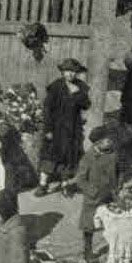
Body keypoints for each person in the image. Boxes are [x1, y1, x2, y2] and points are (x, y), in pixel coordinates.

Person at [36, 58, 90, 198]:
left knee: (69, 157)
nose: (70, 74)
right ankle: (43, 184)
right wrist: (48, 129)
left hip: (72, 128)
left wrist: (77, 93)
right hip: (56, 128)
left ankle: (65, 185)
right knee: (49, 156)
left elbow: (86, 105)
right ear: (62, 72)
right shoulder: (56, 86)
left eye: (73, 72)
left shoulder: (81, 86)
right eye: (67, 71)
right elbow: (47, 109)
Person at [73, 126, 119, 263]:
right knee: (89, 225)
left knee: (113, 220)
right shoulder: (88, 158)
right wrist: (91, 191)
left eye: (111, 140)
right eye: (107, 141)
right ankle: (88, 252)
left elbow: (119, 170)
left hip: (109, 193)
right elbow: (80, 179)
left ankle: (115, 248)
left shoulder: (112, 154)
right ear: (97, 143)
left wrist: (118, 185)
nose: (110, 143)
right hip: (93, 197)